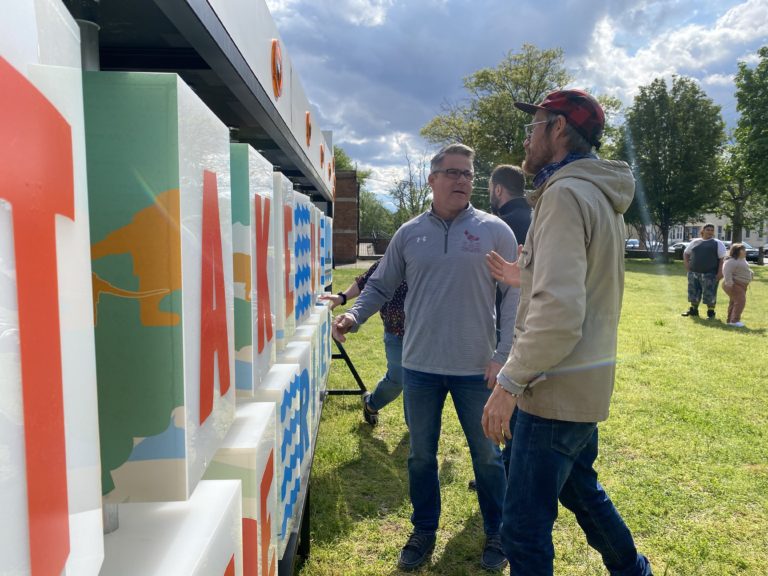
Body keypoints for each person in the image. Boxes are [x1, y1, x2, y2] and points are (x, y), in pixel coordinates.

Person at [482, 89, 653, 575]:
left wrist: (510, 383)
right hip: (583, 388)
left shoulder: (563, 195)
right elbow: (581, 285)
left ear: (558, 129)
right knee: (587, 497)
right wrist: (527, 274)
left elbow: (559, 312)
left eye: (534, 125)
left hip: (549, 393)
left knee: (522, 532)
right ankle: (634, 570)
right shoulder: (598, 195)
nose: (527, 135)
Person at [333, 143, 518, 572]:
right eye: (452, 173)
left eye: (469, 174)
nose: (461, 181)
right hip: (419, 367)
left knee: (488, 456)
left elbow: (514, 297)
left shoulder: (496, 231)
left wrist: (504, 355)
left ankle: (498, 532)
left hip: (479, 368)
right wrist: (354, 316)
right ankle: (423, 530)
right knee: (420, 455)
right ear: (432, 179)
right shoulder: (410, 233)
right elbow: (379, 285)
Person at [320, 259, 407, 425]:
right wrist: (342, 297)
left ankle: (418, 431)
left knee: (422, 381)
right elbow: (365, 281)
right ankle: (371, 405)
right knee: (398, 379)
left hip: (428, 333)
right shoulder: (393, 256)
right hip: (396, 331)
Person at [682, 224, 726, 319]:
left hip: (710, 274)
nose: (710, 232)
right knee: (693, 292)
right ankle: (693, 310)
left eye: (712, 230)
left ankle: (711, 313)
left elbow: (722, 259)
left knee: (710, 293)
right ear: (703, 231)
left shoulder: (717, 243)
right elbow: (686, 253)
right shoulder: (695, 242)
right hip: (694, 273)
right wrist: (687, 265)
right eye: (708, 230)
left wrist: (720, 273)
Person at [722, 242, 753, 328]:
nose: (745, 251)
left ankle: (730, 320)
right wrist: (729, 283)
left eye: (744, 249)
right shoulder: (731, 261)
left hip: (742, 285)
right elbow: (726, 272)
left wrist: (751, 273)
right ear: (737, 251)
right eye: (743, 250)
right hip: (734, 284)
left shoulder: (742, 259)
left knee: (734, 302)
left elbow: (744, 269)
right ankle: (735, 321)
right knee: (740, 301)